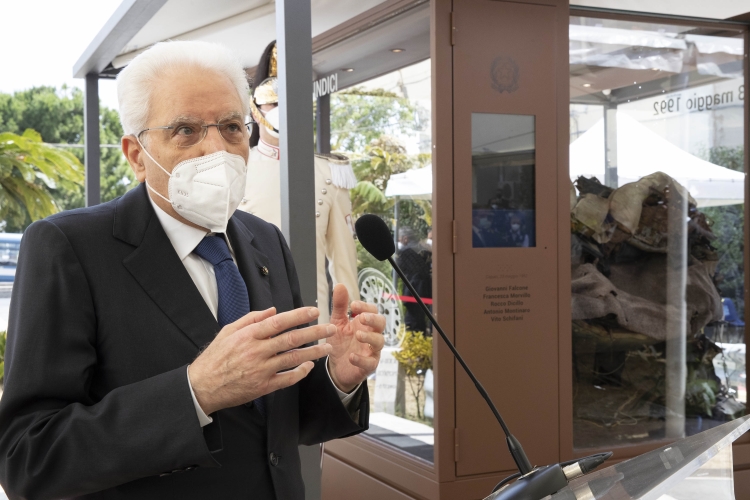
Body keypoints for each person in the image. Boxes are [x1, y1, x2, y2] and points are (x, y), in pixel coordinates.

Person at [0, 41, 386, 499]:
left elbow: (276, 424)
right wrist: (194, 392)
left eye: (230, 127)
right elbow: (29, 456)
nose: (215, 150)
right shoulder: (69, 248)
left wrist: (338, 379)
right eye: (185, 129)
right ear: (136, 155)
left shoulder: (266, 242)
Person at [239, 41, 359, 325]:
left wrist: (353, 323)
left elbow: (344, 263)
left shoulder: (330, 172)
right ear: (255, 109)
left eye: (290, 102)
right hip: (253, 323)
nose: (282, 110)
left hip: (315, 322)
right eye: (274, 102)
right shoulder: (237, 169)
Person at [395, 227, 432, 334]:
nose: (399, 241)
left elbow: (396, 272)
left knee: (412, 322)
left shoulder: (406, 252)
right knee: (421, 319)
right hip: (425, 289)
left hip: (412, 290)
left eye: (400, 239)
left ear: (405, 238)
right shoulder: (425, 250)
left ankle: (414, 344)